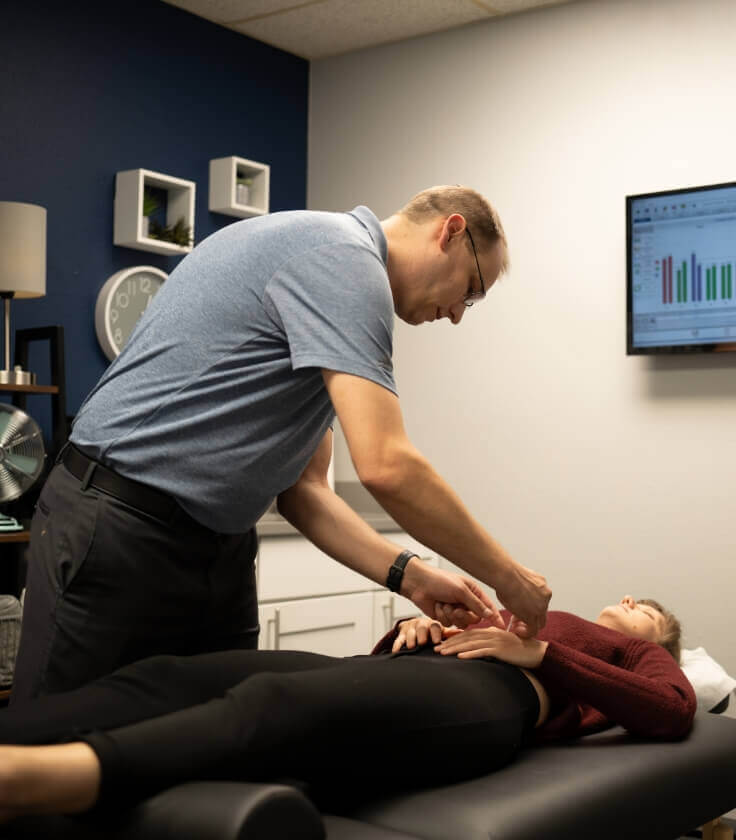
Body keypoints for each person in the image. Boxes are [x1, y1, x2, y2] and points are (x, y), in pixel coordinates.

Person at [12, 185, 551, 702]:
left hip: (216, 549)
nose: (458, 314)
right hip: (119, 524)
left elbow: (305, 491)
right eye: (472, 290)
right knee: (53, 747)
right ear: (450, 232)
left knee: (203, 745)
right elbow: (386, 465)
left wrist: (410, 577)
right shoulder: (345, 263)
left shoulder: (333, 285)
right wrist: (510, 579)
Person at [0, 595, 695, 820]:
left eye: (647, 608)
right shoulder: (544, 614)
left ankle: (39, 779)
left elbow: (672, 708)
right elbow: (376, 688)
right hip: (402, 672)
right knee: (170, 675)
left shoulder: (626, 655)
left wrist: (540, 657)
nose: (630, 600)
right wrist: (410, 631)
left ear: (656, 637)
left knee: (276, 703)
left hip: (493, 698)